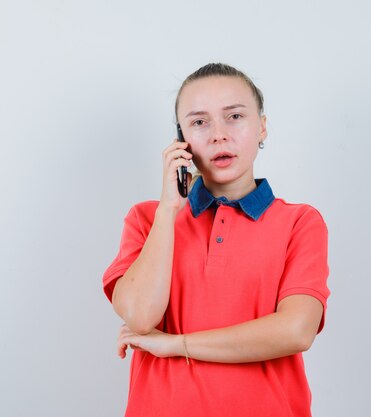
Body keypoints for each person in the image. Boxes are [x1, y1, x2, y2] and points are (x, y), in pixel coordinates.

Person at [101, 63, 330, 417]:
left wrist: (177, 345)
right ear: (181, 141)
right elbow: (140, 316)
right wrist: (168, 209)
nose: (219, 135)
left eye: (234, 116)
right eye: (199, 122)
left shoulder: (299, 222)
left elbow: (296, 330)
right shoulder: (147, 219)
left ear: (262, 127)